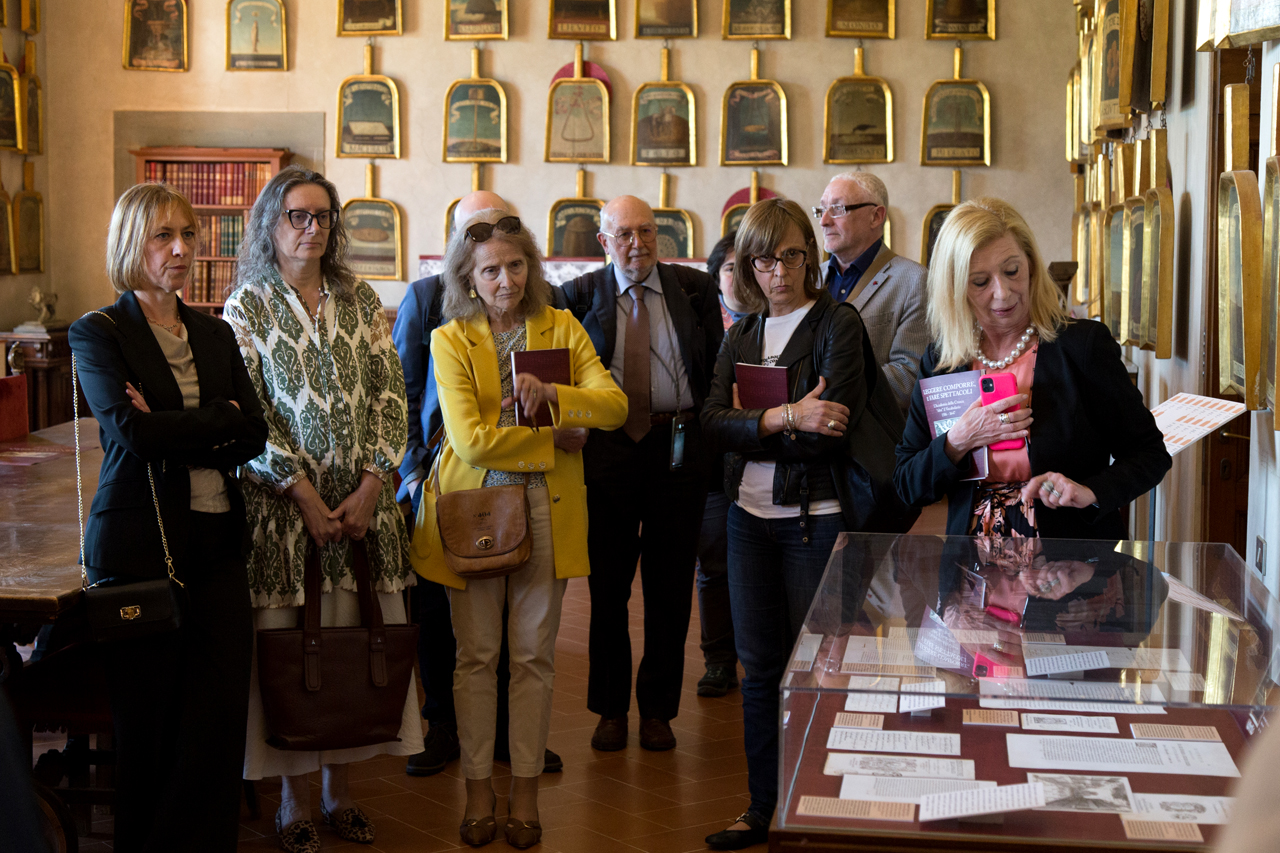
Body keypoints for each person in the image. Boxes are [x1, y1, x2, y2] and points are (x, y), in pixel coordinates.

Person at [410, 209, 627, 848]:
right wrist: (551, 439)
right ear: (468, 279)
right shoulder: (450, 338)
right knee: (476, 657)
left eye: (515, 265)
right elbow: (471, 443)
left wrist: (555, 397)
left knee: (533, 658)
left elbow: (613, 406)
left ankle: (525, 793)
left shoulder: (561, 326)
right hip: (475, 510)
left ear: (531, 267)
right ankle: (478, 790)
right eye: (489, 271)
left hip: (547, 509)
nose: (505, 280)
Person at [224, 166, 421, 853]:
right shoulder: (247, 308)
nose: (313, 228)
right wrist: (302, 492)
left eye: (323, 217)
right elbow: (245, 414)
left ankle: (341, 794)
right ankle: (293, 802)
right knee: (293, 656)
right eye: (297, 216)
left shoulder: (360, 298)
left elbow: (391, 393)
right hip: (286, 521)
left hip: (365, 517)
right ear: (269, 225)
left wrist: (371, 486)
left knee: (353, 650)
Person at [67, 182, 268, 851]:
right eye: (163, 236)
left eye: (188, 234)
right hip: (140, 547)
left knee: (217, 721)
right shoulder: (98, 332)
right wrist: (216, 420)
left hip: (217, 542)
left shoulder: (214, 332)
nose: (182, 248)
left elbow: (254, 434)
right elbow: (131, 433)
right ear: (133, 243)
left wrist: (178, 424)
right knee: (149, 724)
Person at [700, 197, 905, 850]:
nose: (779, 272)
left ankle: (820, 804)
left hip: (814, 523)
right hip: (748, 521)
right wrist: (785, 416)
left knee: (821, 668)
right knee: (758, 670)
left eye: (791, 255)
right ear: (747, 266)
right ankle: (763, 805)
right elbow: (711, 422)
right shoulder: (742, 334)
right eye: (764, 260)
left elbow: (827, 434)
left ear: (808, 256)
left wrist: (753, 425)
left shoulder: (836, 323)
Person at [393, 190, 565, 778]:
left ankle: (512, 737)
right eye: (477, 230)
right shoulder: (425, 298)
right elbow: (404, 390)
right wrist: (413, 473)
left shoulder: (544, 302)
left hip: (529, 480)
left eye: (501, 231)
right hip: (450, 482)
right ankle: (444, 727)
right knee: (449, 623)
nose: (495, 250)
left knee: (519, 622)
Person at [894, 197, 1171, 539]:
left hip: (1070, 558)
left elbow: (1150, 454)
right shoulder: (942, 360)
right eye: (980, 282)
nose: (1003, 293)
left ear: (1031, 266)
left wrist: (1090, 492)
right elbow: (908, 485)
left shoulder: (1082, 347)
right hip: (970, 561)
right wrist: (957, 441)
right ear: (954, 288)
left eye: (1012, 271)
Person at [558, 195, 724, 752]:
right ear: (604, 242)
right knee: (607, 588)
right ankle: (610, 710)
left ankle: (658, 711)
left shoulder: (694, 289)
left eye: (647, 231)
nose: (638, 244)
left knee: (670, 586)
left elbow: (715, 369)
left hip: (678, 447)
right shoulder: (580, 295)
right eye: (625, 234)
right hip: (607, 451)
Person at [816, 171, 929, 411]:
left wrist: (829, 393)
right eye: (822, 210)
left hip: (871, 430)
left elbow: (909, 377)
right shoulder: (811, 278)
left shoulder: (914, 280)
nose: (824, 221)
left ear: (876, 216)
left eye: (837, 209)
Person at [695, 232, 745, 698]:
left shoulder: (777, 323)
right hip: (712, 464)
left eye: (749, 265)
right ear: (716, 277)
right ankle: (718, 660)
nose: (740, 275)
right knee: (713, 564)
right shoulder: (702, 325)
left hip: (765, 462)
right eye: (731, 268)